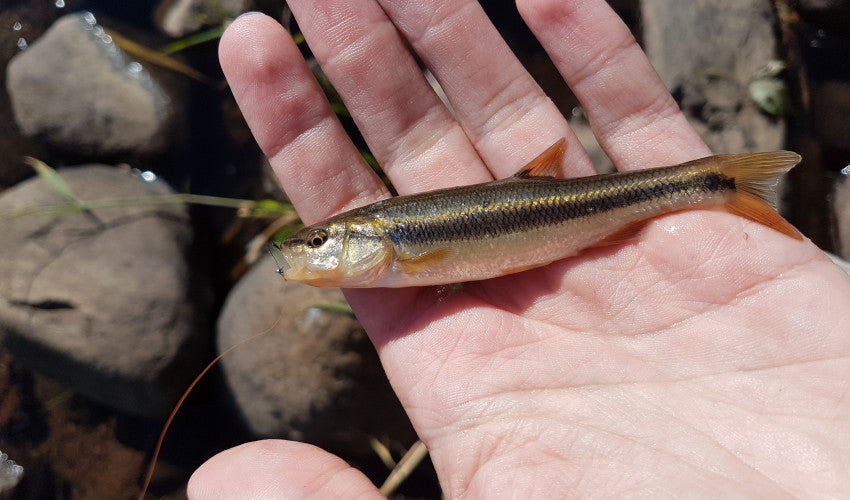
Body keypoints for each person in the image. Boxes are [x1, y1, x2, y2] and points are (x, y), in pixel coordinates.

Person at [190, 1, 850, 497]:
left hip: (569, 209)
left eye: (320, 244)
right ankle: (710, 183)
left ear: (362, 239)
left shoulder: (399, 247)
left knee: (681, 187)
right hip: (555, 208)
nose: (308, 255)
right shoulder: (393, 253)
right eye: (311, 245)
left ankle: (712, 183)